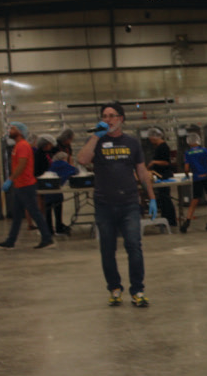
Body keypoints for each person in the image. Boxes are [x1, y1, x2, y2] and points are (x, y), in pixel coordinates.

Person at [76, 102, 157, 308]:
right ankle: (114, 288)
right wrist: (96, 135)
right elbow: (82, 159)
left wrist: (151, 197)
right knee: (107, 249)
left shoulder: (132, 142)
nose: (108, 119)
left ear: (121, 119)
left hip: (129, 202)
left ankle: (137, 290)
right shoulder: (97, 141)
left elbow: (141, 172)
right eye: (105, 116)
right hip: (104, 204)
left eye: (112, 115)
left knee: (134, 247)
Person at [0, 122, 54, 250]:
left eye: (13, 129)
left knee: (34, 212)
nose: (10, 131)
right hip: (20, 184)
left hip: (26, 184)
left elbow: (22, 165)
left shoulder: (22, 146)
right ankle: (11, 240)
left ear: (20, 132)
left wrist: (10, 179)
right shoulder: (17, 146)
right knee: (17, 215)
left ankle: (47, 238)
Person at [179, 133, 207, 233]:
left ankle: (187, 220)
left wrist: (187, 175)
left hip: (197, 178)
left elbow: (186, 168)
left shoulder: (187, 153)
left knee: (195, 200)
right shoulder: (204, 150)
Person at [145, 128, 178, 228]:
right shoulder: (158, 147)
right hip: (159, 174)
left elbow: (166, 162)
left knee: (166, 197)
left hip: (164, 174)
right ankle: (165, 219)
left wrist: (154, 162)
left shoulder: (163, 147)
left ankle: (170, 220)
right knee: (163, 198)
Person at [43, 151, 76, 235]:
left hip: (48, 190)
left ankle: (49, 229)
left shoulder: (52, 165)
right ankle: (59, 228)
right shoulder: (65, 165)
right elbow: (75, 171)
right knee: (58, 211)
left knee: (48, 211)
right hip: (57, 192)